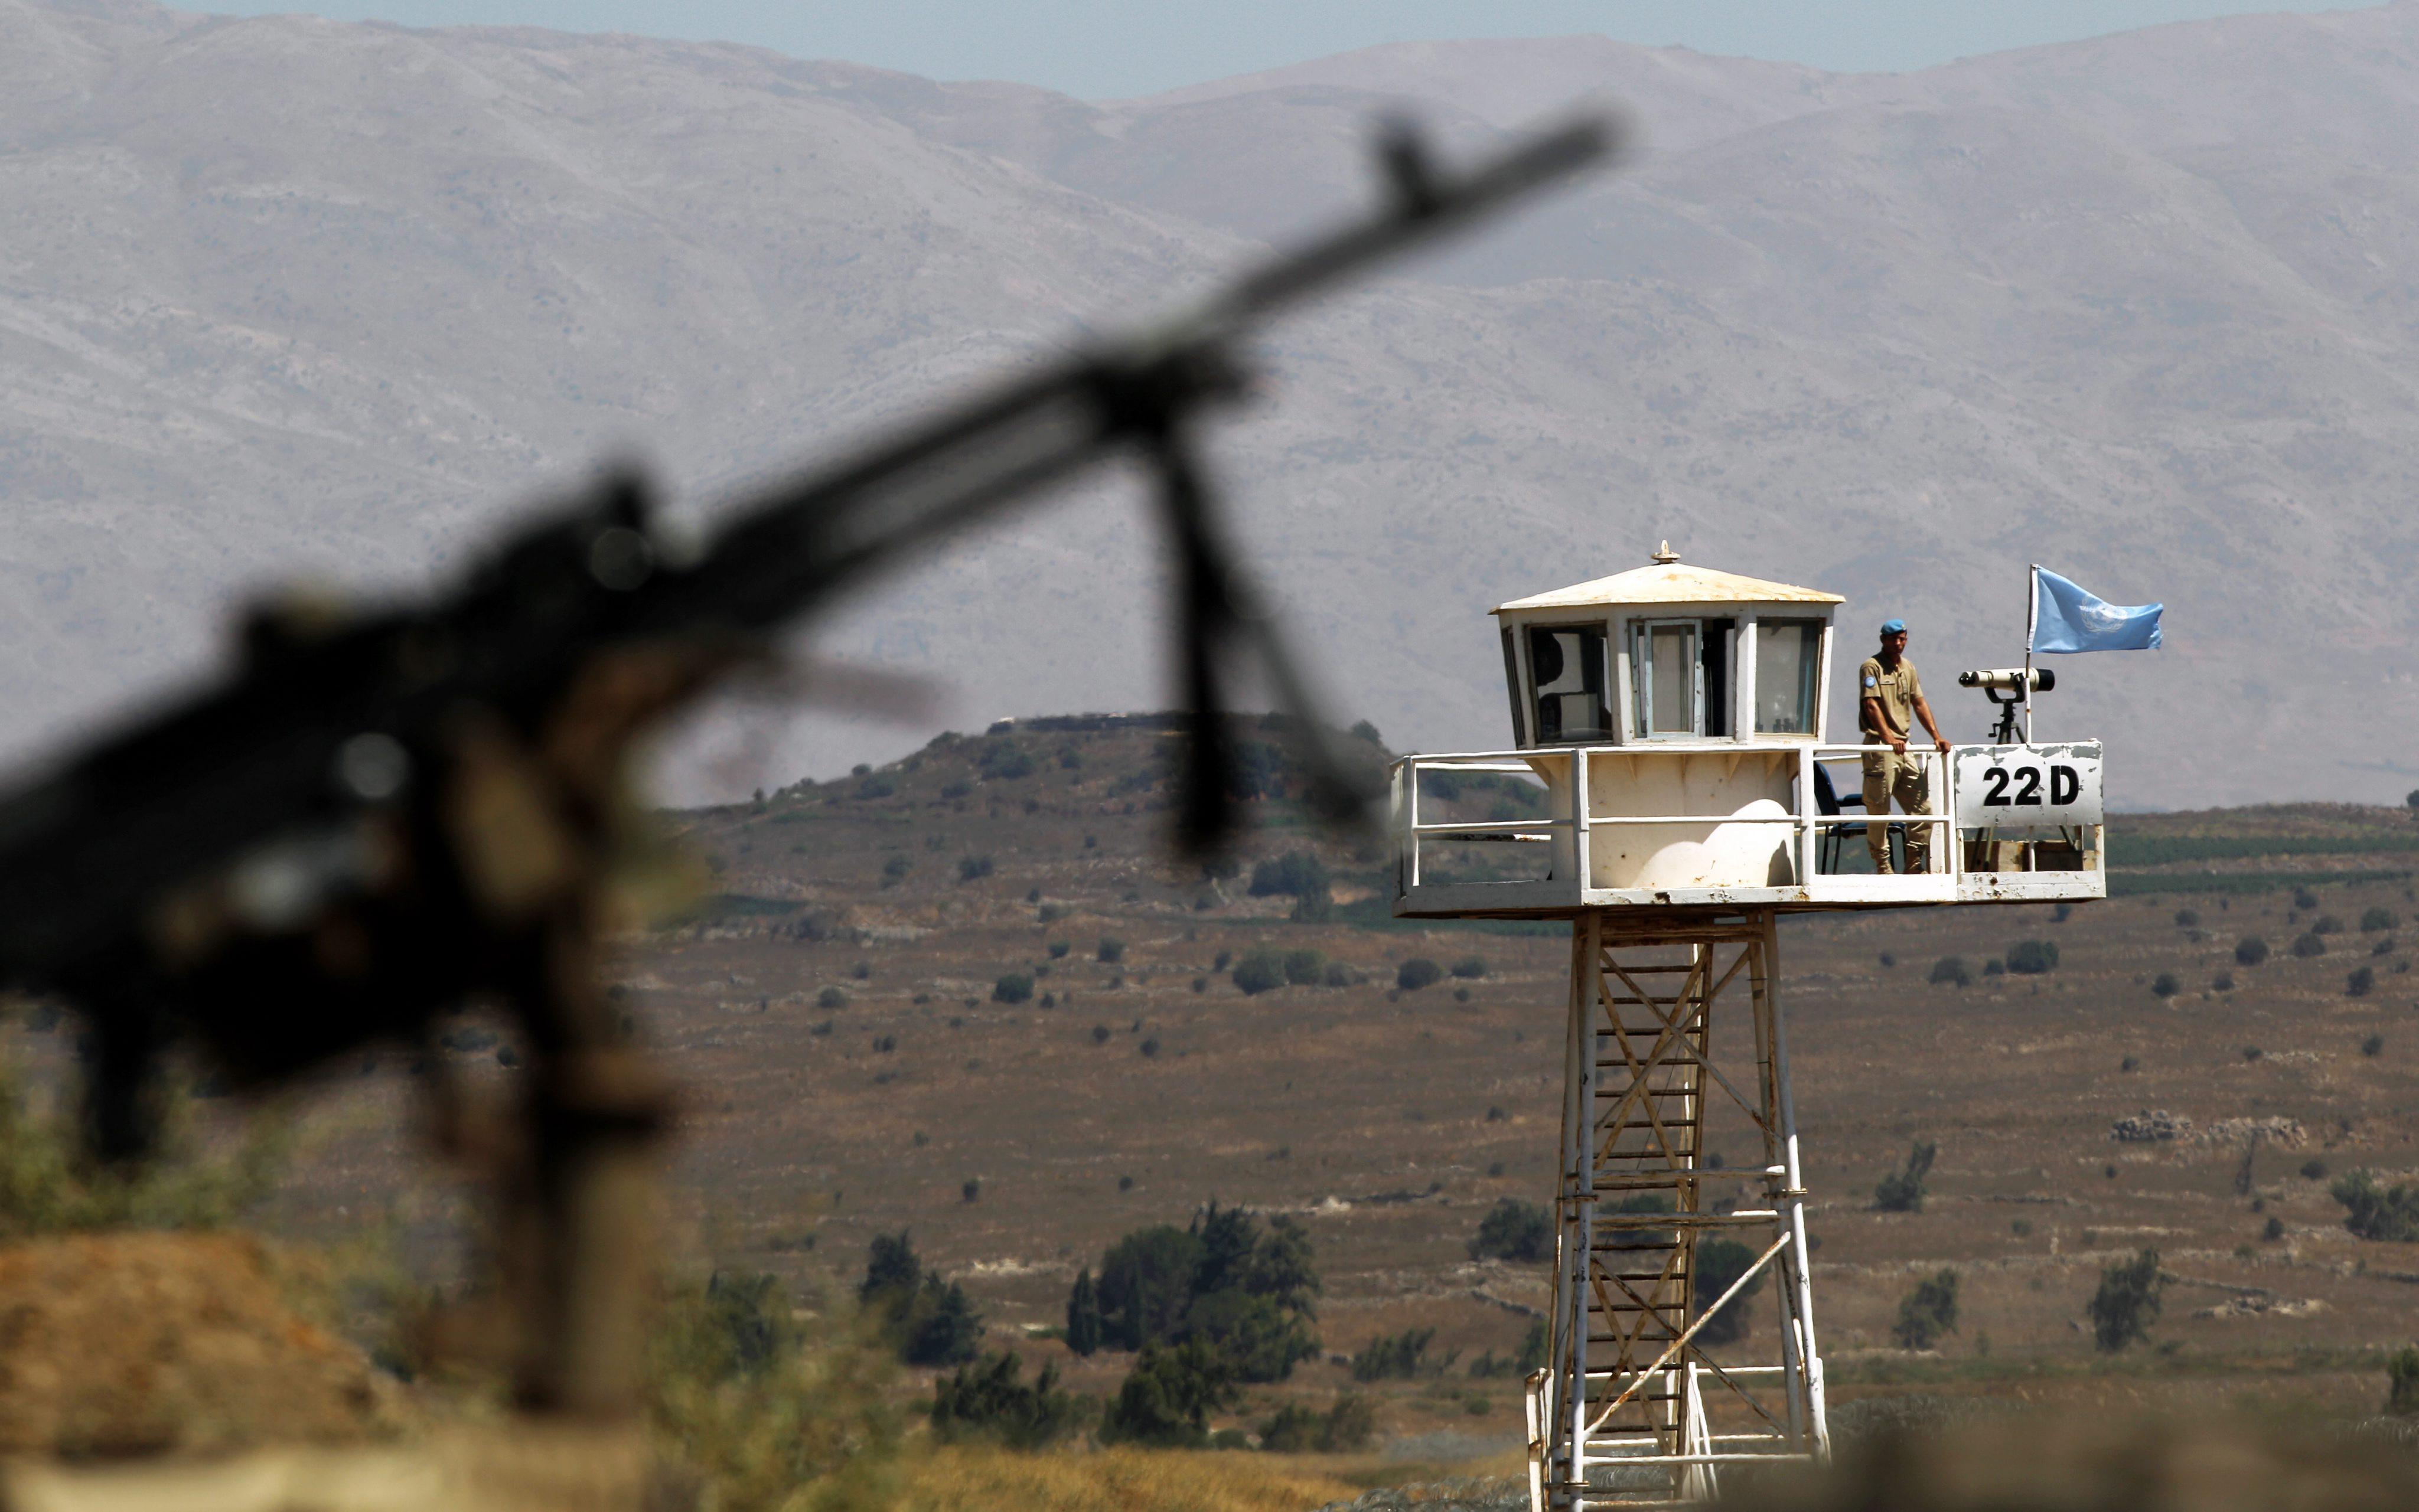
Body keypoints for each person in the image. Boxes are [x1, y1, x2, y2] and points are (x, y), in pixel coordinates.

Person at [1858, 619, 1951, 874]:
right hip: (1881, 746)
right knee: (1880, 809)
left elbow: (1919, 703)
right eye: (1893, 639)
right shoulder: (1872, 667)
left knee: (1923, 809)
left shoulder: (1908, 668)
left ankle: (1913, 863)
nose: (1898, 643)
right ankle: (1883, 866)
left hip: (1904, 746)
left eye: (1902, 639)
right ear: (1883, 640)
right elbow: (1871, 705)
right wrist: (1888, 738)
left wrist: (1936, 736)